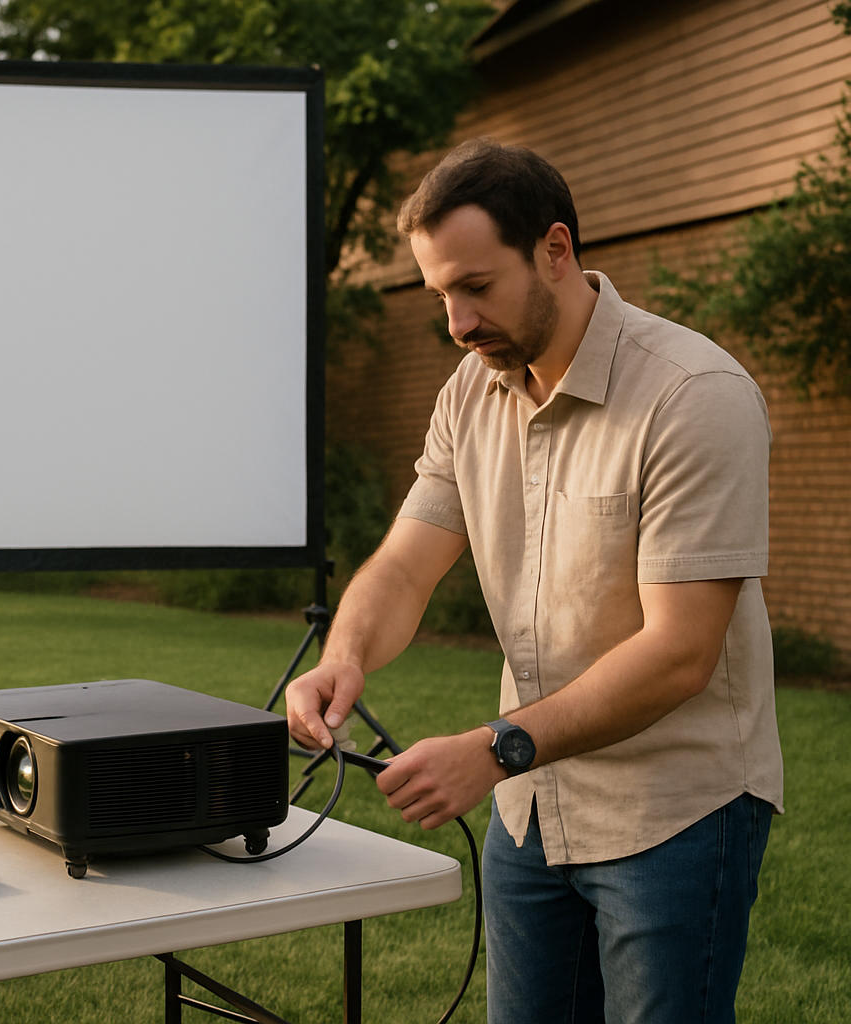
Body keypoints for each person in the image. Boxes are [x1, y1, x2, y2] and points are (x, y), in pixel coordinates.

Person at [285, 138, 782, 1024]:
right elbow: (405, 561)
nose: (457, 323)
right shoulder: (469, 394)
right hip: (533, 812)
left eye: (476, 287)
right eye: (441, 294)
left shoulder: (693, 394)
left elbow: (680, 654)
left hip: (675, 816)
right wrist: (346, 656)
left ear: (556, 250)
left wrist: (492, 748)